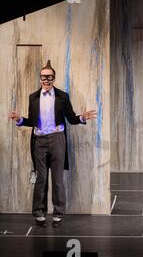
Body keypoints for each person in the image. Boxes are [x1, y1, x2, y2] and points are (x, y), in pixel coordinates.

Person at [8, 60, 97, 227]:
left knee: (57, 179)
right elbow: (32, 121)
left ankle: (58, 214)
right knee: (41, 178)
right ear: (40, 78)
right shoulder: (33, 97)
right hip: (39, 141)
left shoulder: (62, 96)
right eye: (43, 77)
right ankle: (39, 214)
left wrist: (82, 117)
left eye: (49, 77)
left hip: (57, 140)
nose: (46, 80)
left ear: (54, 78)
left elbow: (71, 118)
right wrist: (20, 119)